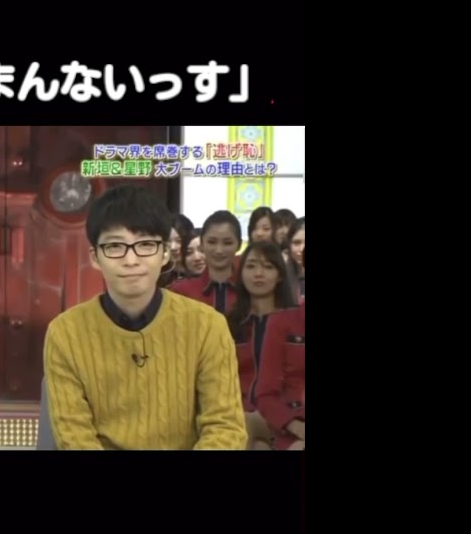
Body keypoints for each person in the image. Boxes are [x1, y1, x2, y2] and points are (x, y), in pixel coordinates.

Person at [42, 185, 247, 450]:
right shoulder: (65, 333)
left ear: (165, 253)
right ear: (95, 257)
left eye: (146, 245)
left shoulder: (208, 327)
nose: (131, 260)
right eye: (115, 246)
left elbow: (225, 428)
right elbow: (74, 437)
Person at [226, 241, 299, 449]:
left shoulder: (296, 322)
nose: (258, 274)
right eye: (251, 266)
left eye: (268, 267)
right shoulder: (228, 324)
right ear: (241, 273)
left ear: (280, 275)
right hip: (239, 412)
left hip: (288, 415)